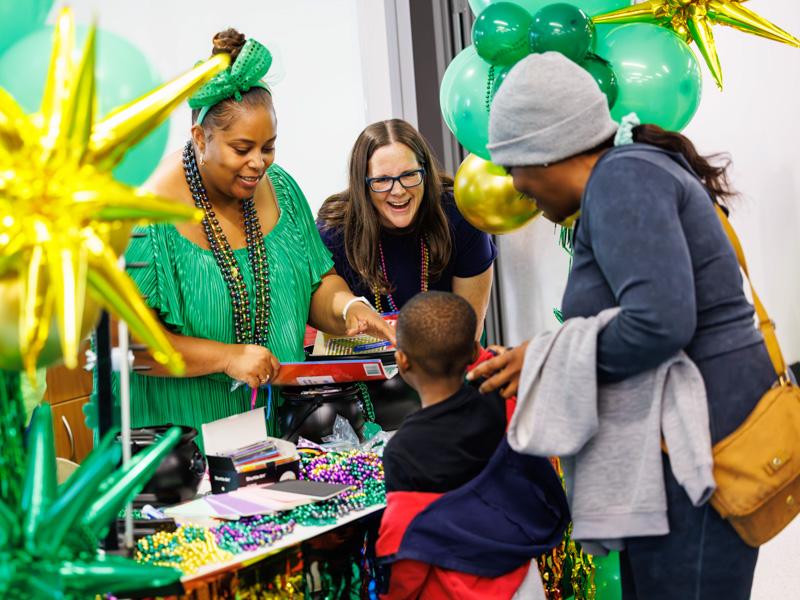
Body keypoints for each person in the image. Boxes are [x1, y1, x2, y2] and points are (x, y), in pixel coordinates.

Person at [470, 52, 777, 599]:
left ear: (546, 152)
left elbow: (660, 323)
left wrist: (541, 357)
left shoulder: (621, 181)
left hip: (698, 456)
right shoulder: (632, 172)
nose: (517, 187)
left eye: (514, 164)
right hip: (692, 449)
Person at [117, 29, 394, 450]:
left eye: (268, 147)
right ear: (199, 139)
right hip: (182, 446)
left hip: (277, 435)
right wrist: (228, 358)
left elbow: (316, 280)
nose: (258, 164)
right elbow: (134, 348)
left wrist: (350, 309)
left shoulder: (280, 189)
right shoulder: (146, 215)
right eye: (242, 148)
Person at [376, 291, 569, 600]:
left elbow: (406, 541)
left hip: (456, 588)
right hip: (522, 578)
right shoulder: (500, 395)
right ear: (473, 351)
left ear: (402, 360)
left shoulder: (403, 449)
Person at [316, 119, 497, 339]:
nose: (398, 190)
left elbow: (470, 331)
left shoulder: (461, 214)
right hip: (371, 365)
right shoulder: (334, 231)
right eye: (382, 179)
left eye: (409, 175)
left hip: (451, 357)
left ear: (425, 172)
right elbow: (327, 316)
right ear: (363, 185)